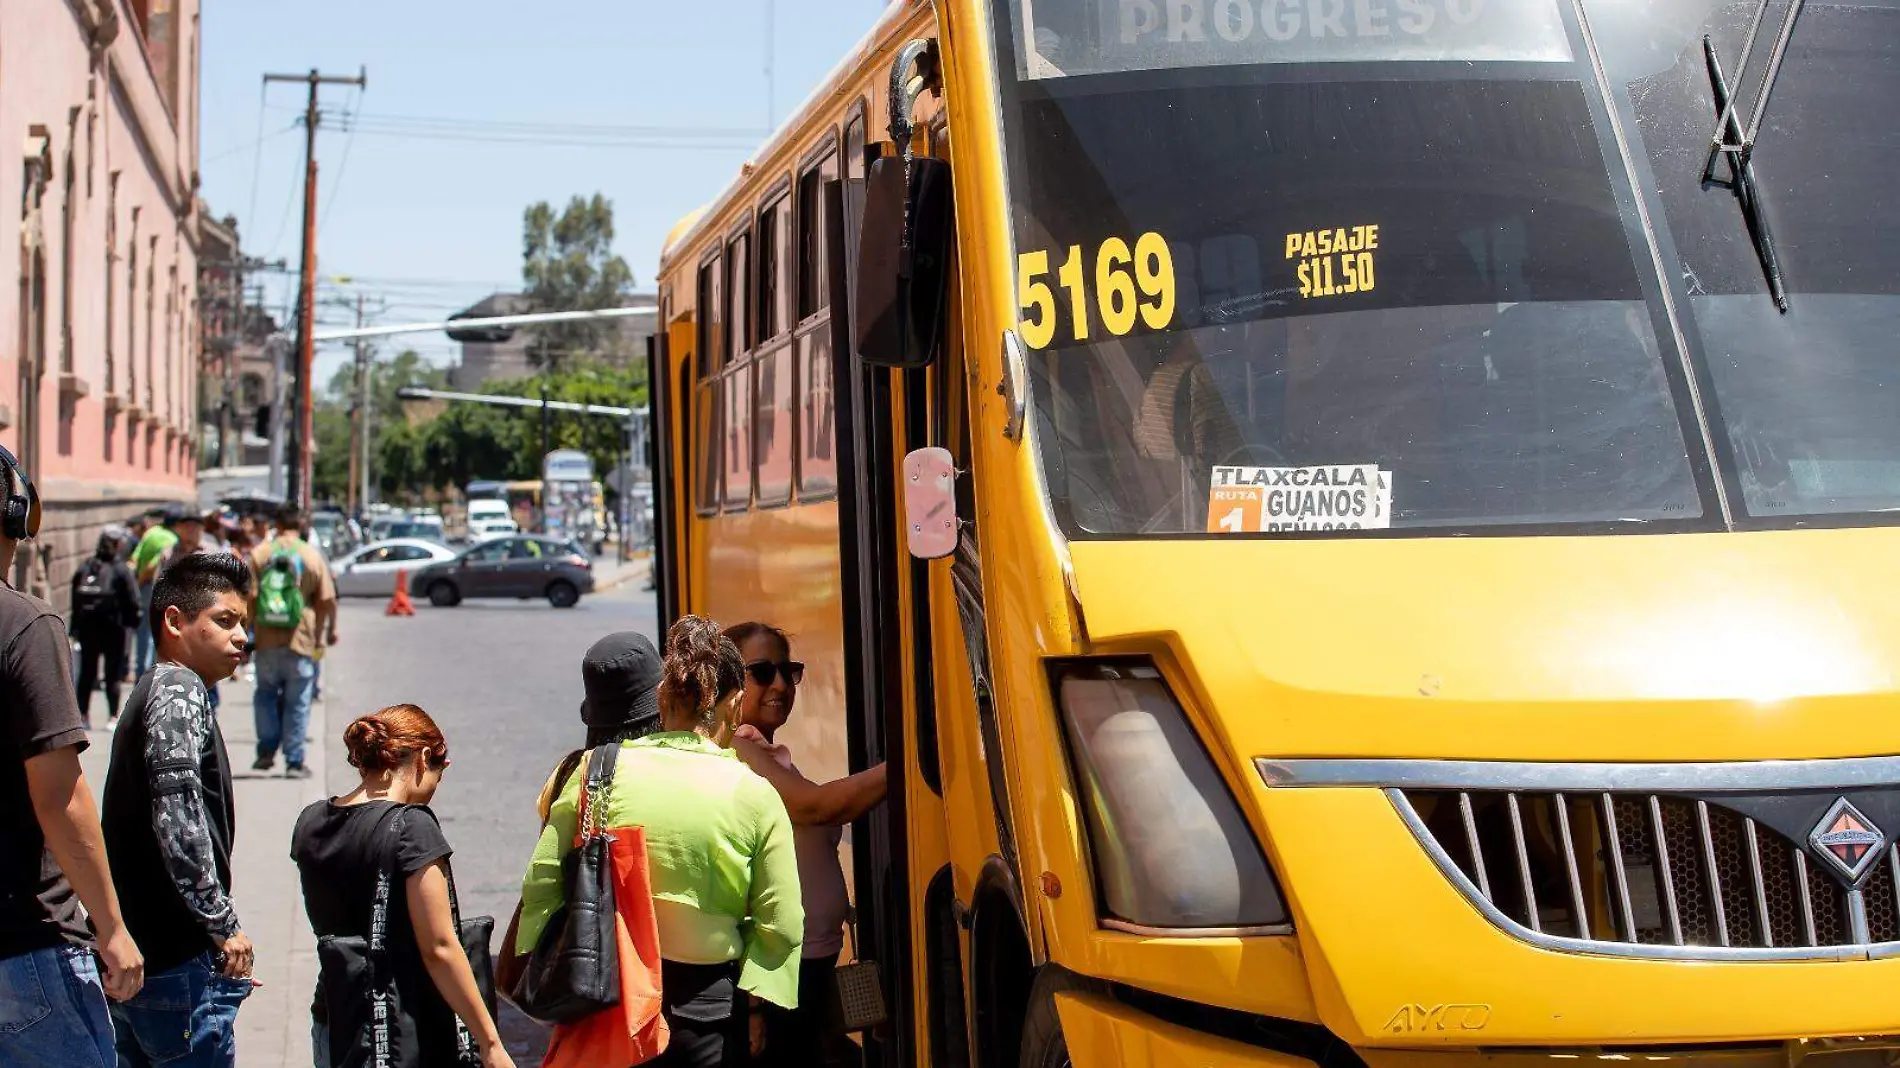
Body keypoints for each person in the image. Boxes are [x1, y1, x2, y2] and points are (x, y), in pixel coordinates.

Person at [517, 617, 804, 1067]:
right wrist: (754, 1010)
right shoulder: (754, 793)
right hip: (709, 1011)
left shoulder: (594, 772)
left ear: (663, 698)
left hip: (609, 1000)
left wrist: (550, 974)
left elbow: (542, 882)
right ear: (733, 704)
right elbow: (781, 922)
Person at [0, 445, 144, 1067]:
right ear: (19, 515)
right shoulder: (24, 625)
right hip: (21, 947)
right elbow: (58, 795)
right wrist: (111, 928)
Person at [292, 705, 513, 1068]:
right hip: (401, 1030)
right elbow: (439, 947)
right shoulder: (412, 827)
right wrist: (490, 1043)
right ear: (425, 759)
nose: (433, 790)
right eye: (437, 776)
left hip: (336, 1018)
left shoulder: (311, 821)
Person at [101, 552, 256, 1068]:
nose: (241, 637)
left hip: (147, 960)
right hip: (173, 964)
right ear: (174, 621)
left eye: (243, 624)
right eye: (225, 621)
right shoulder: (178, 687)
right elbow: (179, 816)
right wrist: (222, 924)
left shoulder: (154, 688)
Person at [723, 623, 888, 1067]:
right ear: (728, 682)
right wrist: (911, 759)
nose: (779, 684)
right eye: (761, 672)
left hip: (809, 966)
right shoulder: (736, 751)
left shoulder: (770, 755)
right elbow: (815, 808)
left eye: (787, 670)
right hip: (777, 981)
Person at [248, 504, 337, 779]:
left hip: (265, 637)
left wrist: (248, 630)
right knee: (297, 701)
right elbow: (326, 600)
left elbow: (249, 597)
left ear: (276, 524)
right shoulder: (311, 555)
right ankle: (294, 760)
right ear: (301, 526)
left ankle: (266, 749)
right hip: (300, 639)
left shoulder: (260, 554)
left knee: (264, 693)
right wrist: (324, 633)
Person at [70, 528, 141, 726]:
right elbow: (133, 599)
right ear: (118, 544)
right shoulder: (120, 568)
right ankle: (112, 716)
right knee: (113, 674)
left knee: (87, 672)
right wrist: (131, 623)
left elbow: (75, 598)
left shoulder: (87, 566)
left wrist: (75, 627)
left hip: (88, 628)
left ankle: (83, 716)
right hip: (114, 628)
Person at [129, 504, 177, 678]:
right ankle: (153, 675)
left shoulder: (150, 534)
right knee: (160, 632)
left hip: (146, 587)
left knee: (144, 633)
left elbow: (134, 559)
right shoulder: (172, 538)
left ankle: (141, 673)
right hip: (164, 588)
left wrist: (139, 582)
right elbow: (154, 564)